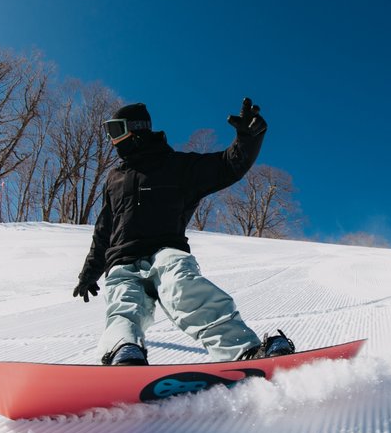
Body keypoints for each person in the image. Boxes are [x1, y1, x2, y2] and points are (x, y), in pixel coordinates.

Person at [73, 98, 295, 366]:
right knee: (123, 306)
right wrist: (89, 273)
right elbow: (103, 229)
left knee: (184, 290)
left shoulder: (177, 167)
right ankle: (124, 350)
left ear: (136, 129)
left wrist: (248, 139)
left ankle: (243, 350)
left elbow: (227, 165)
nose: (112, 140)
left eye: (115, 131)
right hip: (122, 260)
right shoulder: (114, 179)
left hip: (166, 251)